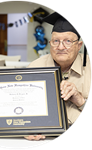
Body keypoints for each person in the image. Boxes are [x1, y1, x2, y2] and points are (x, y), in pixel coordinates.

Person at [25, 12, 91, 140]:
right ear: (50, 43)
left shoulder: (90, 68)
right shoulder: (34, 68)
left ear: (79, 46)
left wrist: (80, 101)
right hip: (42, 139)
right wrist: (24, 129)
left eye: (67, 41)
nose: (60, 47)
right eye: (56, 41)